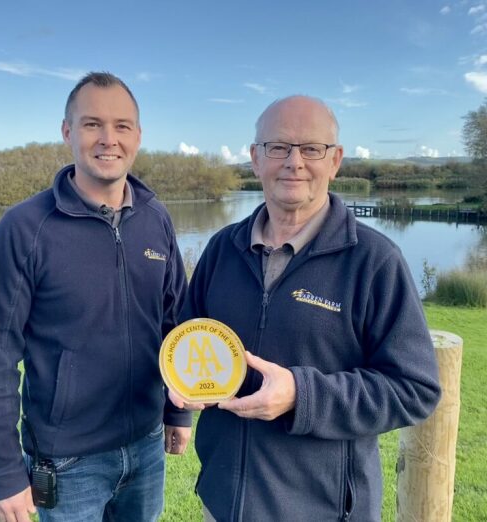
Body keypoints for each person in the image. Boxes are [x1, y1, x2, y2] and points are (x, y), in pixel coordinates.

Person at [171, 95, 441, 521]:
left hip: (323, 510)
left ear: (335, 161)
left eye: (311, 148)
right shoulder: (222, 248)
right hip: (222, 505)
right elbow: (189, 337)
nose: (294, 162)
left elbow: (415, 388)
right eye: (278, 147)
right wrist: (180, 383)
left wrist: (302, 395)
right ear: (255, 159)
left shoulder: (374, 261)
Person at [0, 71, 192, 522]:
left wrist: (177, 411)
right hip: (68, 464)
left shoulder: (156, 218)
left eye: (122, 126)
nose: (108, 139)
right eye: (92, 124)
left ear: (138, 136)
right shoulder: (24, 229)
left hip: (147, 447)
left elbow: (177, 326)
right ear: (68, 132)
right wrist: (3, 473)